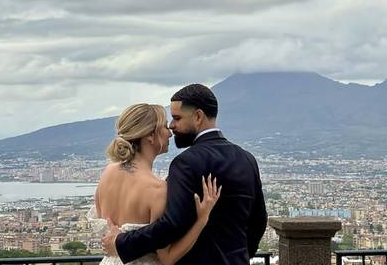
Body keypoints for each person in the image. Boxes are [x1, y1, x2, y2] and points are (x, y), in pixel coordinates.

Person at [103, 84, 267, 265]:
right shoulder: (247, 159)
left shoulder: (186, 162)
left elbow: (171, 224)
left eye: (176, 118)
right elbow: (259, 220)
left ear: (198, 116)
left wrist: (121, 242)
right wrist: (240, 255)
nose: (172, 126)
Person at [92, 103, 221, 265]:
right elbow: (167, 258)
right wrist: (202, 220)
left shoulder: (108, 173)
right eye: (165, 126)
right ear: (150, 136)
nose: (170, 133)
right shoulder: (157, 190)